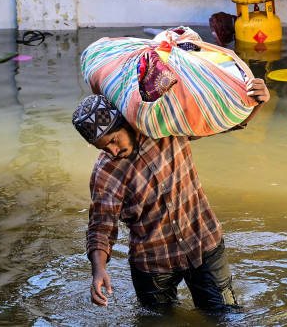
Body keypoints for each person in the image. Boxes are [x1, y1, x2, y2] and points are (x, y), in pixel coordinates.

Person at [71, 78, 270, 311]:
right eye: (104, 148)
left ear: (124, 122)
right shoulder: (105, 173)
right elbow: (100, 227)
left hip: (203, 243)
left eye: (114, 140)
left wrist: (257, 104)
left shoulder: (165, 126)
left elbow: (223, 122)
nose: (113, 151)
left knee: (227, 316)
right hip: (152, 263)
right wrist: (99, 271)